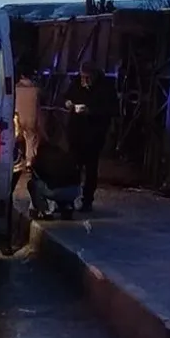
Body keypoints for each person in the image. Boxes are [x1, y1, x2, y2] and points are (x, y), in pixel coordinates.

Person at [63, 61, 116, 212]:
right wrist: (68, 103)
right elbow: (67, 96)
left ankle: (87, 200)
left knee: (91, 168)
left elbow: (110, 109)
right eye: (82, 77)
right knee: (73, 168)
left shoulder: (105, 88)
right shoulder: (76, 84)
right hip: (76, 133)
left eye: (87, 77)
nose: (84, 81)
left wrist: (90, 111)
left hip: (94, 135)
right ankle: (70, 198)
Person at [27, 135, 82, 221]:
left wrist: (32, 163)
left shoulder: (44, 151)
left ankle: (45, 210)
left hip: (56, 190)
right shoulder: (68, 151)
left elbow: (37, 171)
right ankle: (67, 207)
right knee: (61, 184)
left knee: (33, 184)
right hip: (74, 190)